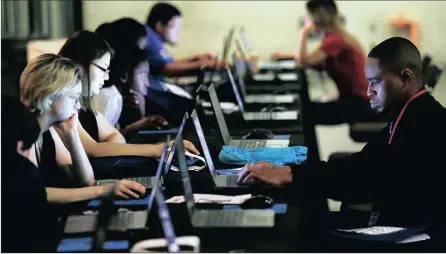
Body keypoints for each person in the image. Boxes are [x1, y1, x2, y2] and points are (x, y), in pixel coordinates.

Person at [239, 37, 446, 248]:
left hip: (416, 235)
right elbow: (364, 165)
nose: (368, 91)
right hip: (401, 221)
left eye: (375, 82)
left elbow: (363, 181)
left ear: (405, 78)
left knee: (296, 234)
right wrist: (291, 172)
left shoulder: (421, 124)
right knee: (306, 221)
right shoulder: (412, 111)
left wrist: (292, 176)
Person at [57, 30, 199, 158]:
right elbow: (91, 149)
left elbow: (116, 137)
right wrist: (159, 150)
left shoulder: (81, 101)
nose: (106, 77)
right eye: (103, 69)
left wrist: (108, 147)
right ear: (80, 66)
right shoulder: (61, 102)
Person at [272, 0, 375, 125]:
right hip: (359, 102)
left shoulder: (334, 40)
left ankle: (302, 145)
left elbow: (303, 62)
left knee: (302, 112)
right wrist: (285, 56)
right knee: (305, 109)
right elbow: (312, 59)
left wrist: (304, 32)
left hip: (358, 105)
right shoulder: (339, 36)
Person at [94, 18, 169, 138]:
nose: (147, 84)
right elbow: (100, 148)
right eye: (143, 76)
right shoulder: (111, 98)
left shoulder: (119, 96)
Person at [145, 2, 226, 94]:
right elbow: (169, 69)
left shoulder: (150, 35)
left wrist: (196, 58)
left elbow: (168, 63)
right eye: (175, 27)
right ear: (159, 26)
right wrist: (205, 64)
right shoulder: (149, 38)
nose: (179, 32)